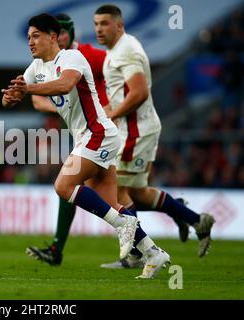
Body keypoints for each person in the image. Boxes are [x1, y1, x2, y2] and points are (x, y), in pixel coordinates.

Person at [2, 13, 170, 279]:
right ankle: (153, 252)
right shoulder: (35, 67)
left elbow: (65, 84)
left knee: (63, 186)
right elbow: (21, 92)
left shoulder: (72, 58)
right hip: (89, 137)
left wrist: (29, 90)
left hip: (98, 133)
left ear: (53, 37)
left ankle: (125, 223)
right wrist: (10, 97)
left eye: (35, 36)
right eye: (28, 38)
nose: (30, 42)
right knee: (109, 203)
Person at [93, 4, 215, 268]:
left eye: (104, 23)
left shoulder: (126, 50)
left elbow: (139, 93)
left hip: (135, 131)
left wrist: (114, 115)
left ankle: (138, 253)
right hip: (135, 128)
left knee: (116, 191)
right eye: (96, 24)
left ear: (119, 24)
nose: (99, 29)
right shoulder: (117, 50)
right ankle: (194, 218)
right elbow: (124, 94)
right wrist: (108, 111)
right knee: (138, 193)